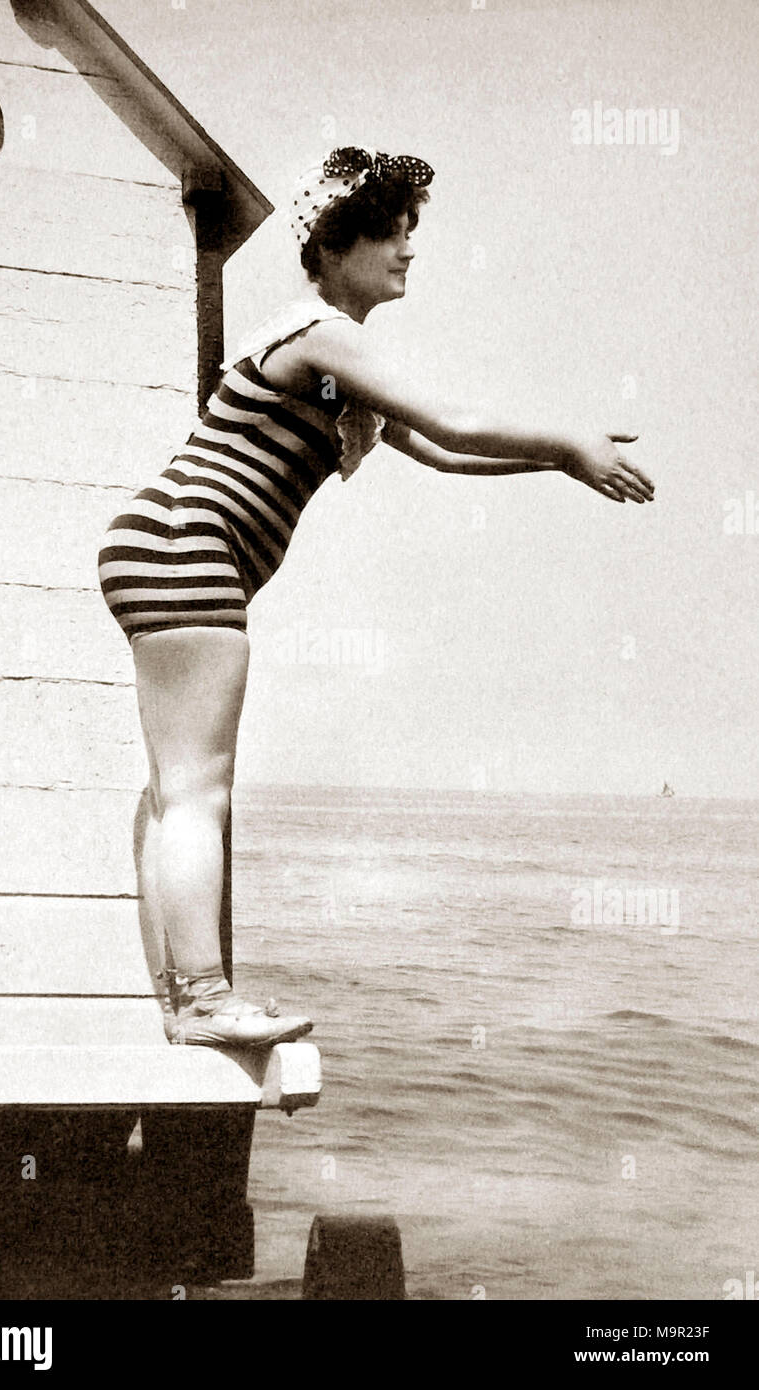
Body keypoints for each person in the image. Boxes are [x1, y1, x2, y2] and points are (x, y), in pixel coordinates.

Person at [97, 145, 654, 1048]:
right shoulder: (324, 337)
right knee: (198, 790)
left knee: (175, 792)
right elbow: (456, 419)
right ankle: (201, 1000)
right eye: (389, 231)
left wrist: (563, 457)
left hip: (157, 542)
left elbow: (446, 452)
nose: (407, 248)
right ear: (335, 242)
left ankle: (183, 993)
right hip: (185, 545)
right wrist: (565, 439)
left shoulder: (333, 359)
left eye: (409, 231)